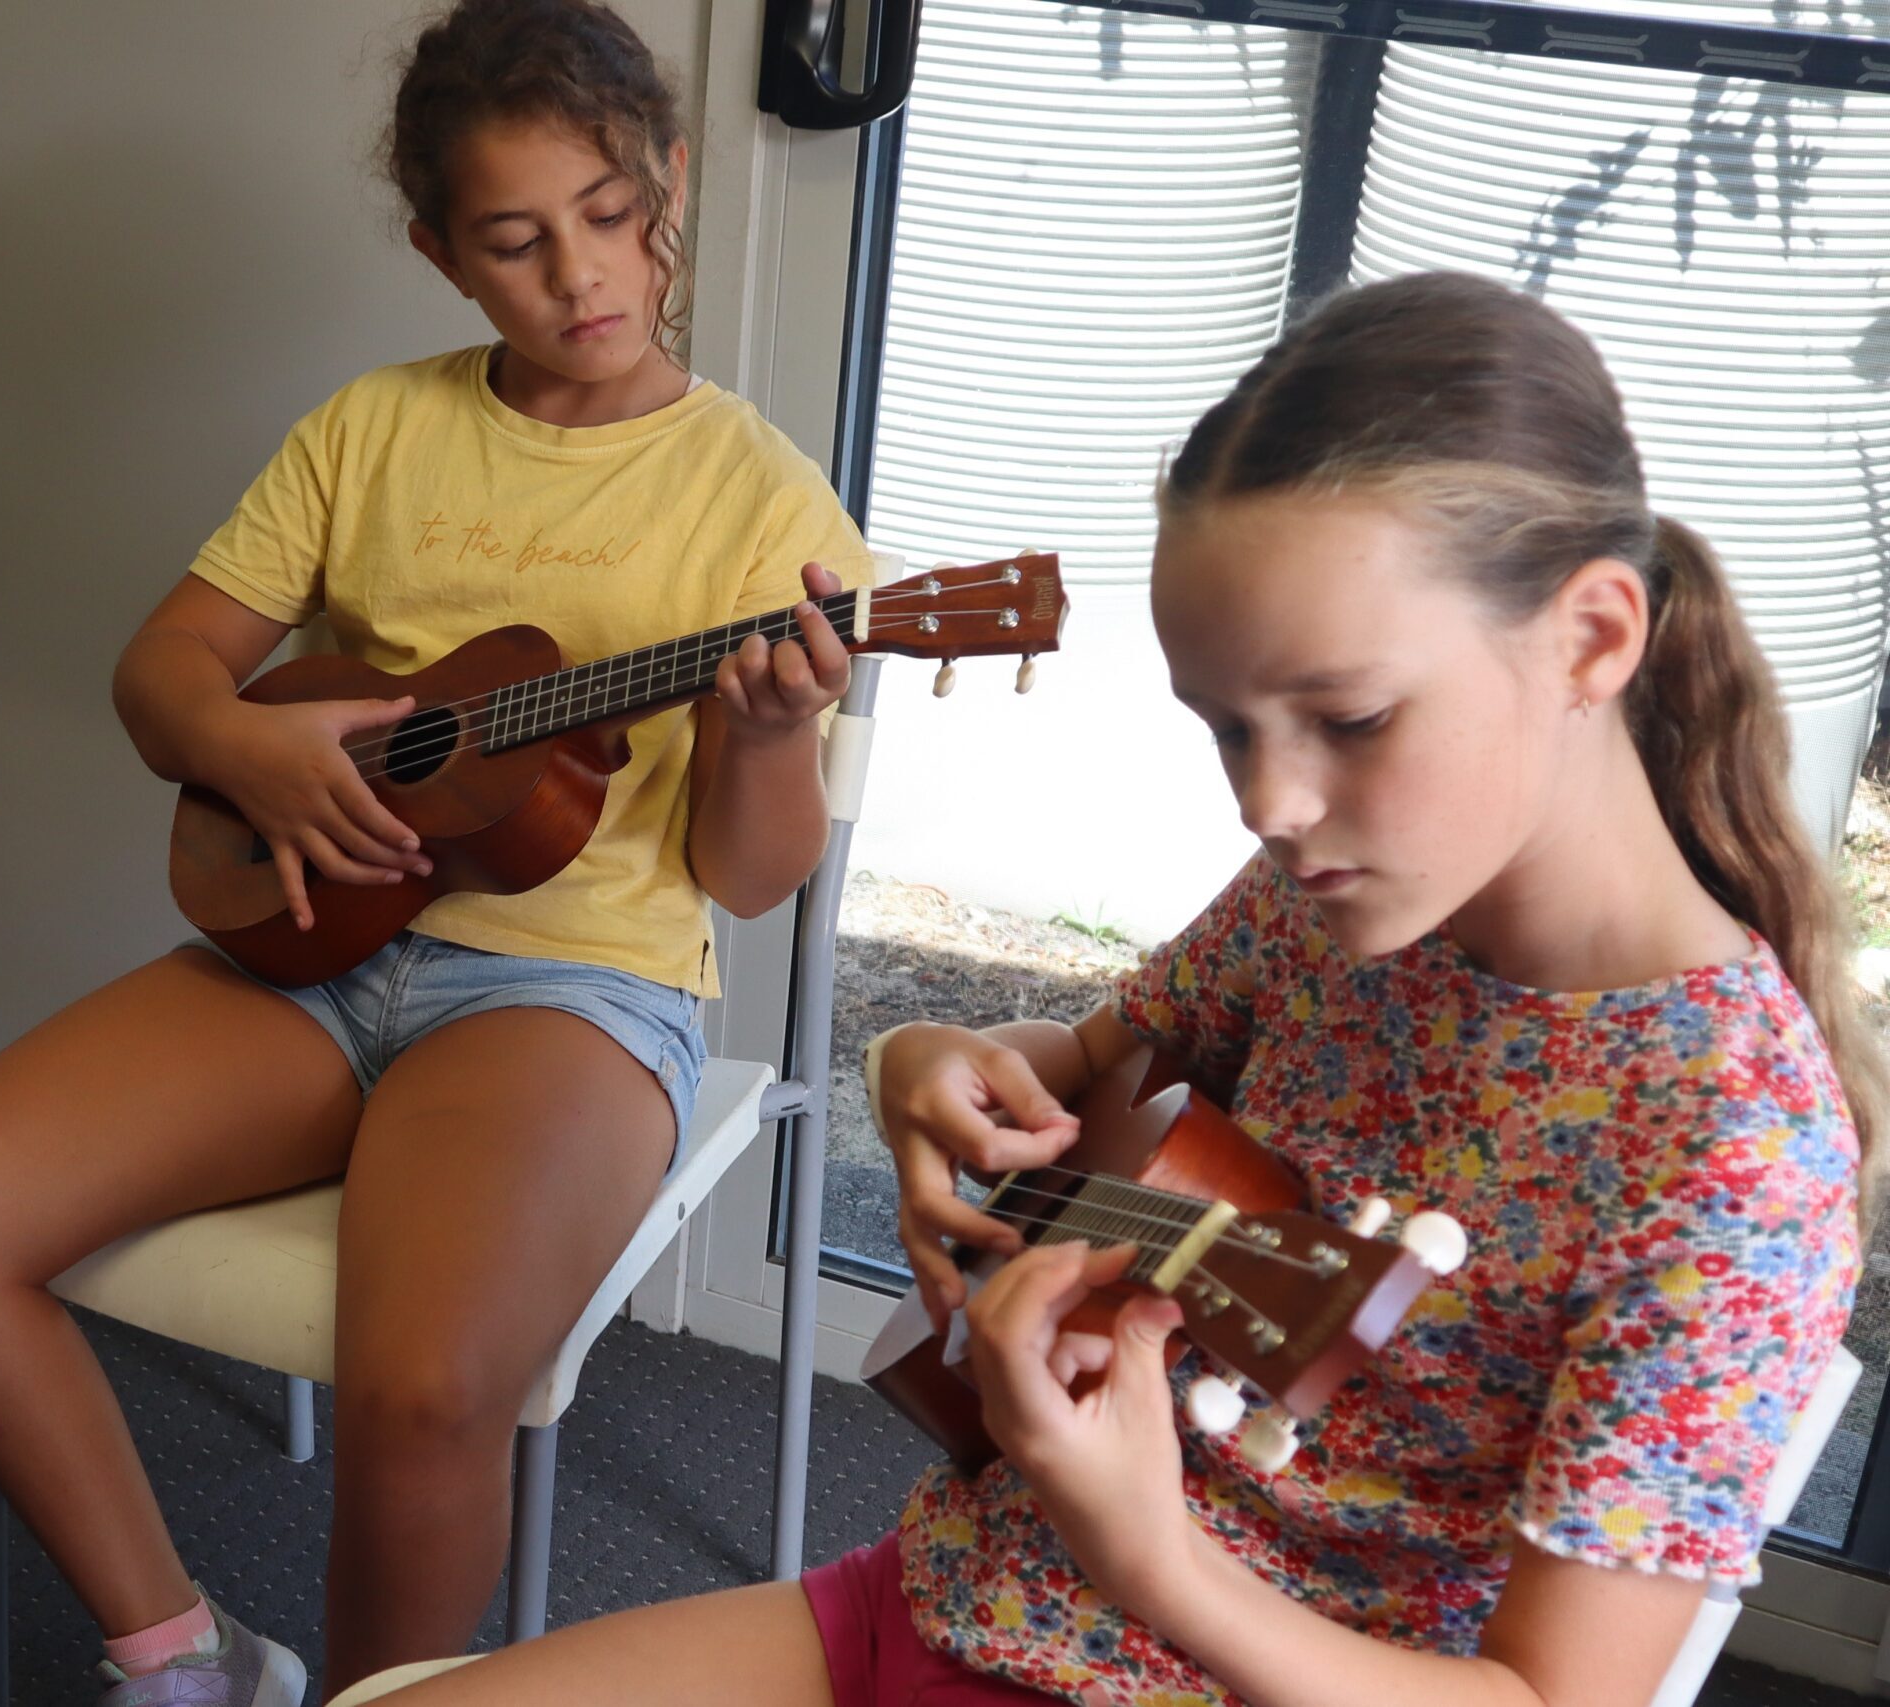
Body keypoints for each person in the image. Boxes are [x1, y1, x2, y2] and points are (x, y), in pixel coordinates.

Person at [355, 271, 1878, 1707]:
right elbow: (1075, 1063)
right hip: (965, 1598)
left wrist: (1145, 1551)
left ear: (1593, 636)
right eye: (1226, 729)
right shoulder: (1328, 892)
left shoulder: (1735, 1157)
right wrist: (933, 1062)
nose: (1268, 803)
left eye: (1348, 718)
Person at [0, 2, 869, 1701]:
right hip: (314, 937)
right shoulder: (372, 428)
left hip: (577, 988)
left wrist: (766, 731)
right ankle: (184, 1657)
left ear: (671, 179)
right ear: (439, 252)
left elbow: (750, 880)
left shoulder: (766, 505)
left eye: (614, 216)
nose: (583, 278)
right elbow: (160, 676)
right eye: (516, 241)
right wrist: (248, 737)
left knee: (421, 1388)